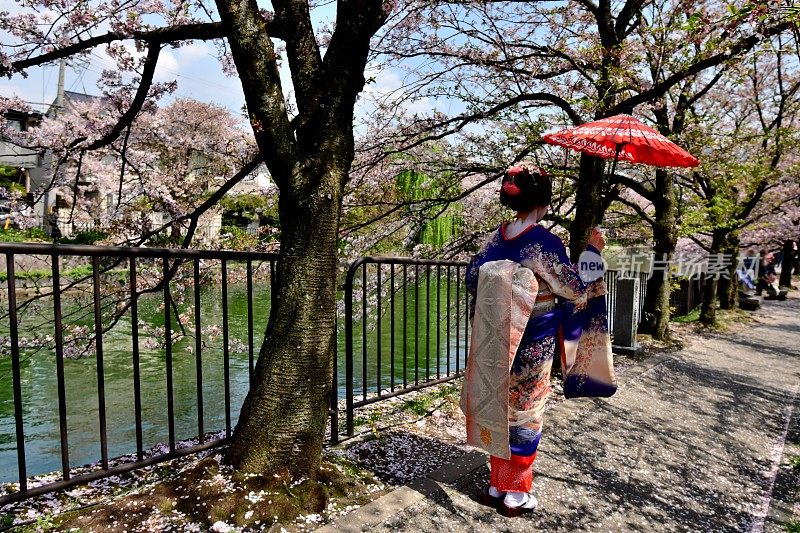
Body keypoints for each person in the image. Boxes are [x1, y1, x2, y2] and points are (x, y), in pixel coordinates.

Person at [461, 163, 610, 516]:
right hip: (532, 342)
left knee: (500, 406)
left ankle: (497, 484)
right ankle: (516, 494)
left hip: (494, 340)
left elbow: (472, 278)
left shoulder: (495, 238)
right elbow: (575, 289)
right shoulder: (543, 243)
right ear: (543, 198)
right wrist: (593, 250)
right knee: (526, 414)